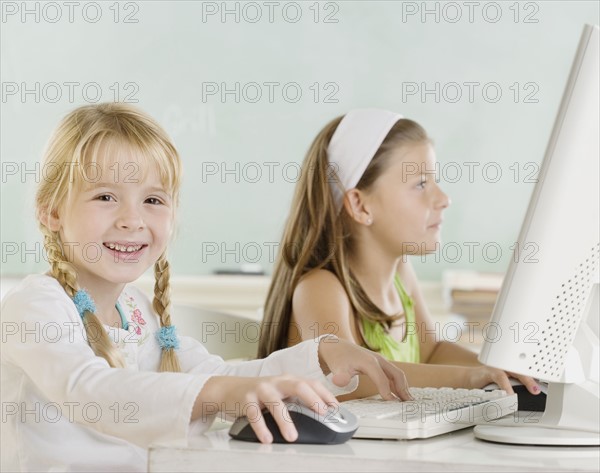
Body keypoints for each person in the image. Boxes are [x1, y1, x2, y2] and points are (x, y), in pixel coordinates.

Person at [0, 104, 412, 472]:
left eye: (154, 200)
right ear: (51, 212)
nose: (132, 219)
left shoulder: (138, 310)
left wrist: (320, 356)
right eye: (106, 196)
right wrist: (218, 392)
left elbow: (215, 374)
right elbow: (91, 391)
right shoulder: (35, 306)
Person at [257, 109, 541, 399]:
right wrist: (470, 378)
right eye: (420, 184)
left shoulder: (401, 274)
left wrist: (497, 369)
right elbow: (350, 379)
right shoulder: (320, 288)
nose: (443, 198)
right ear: (360, 206)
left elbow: (432, 352)